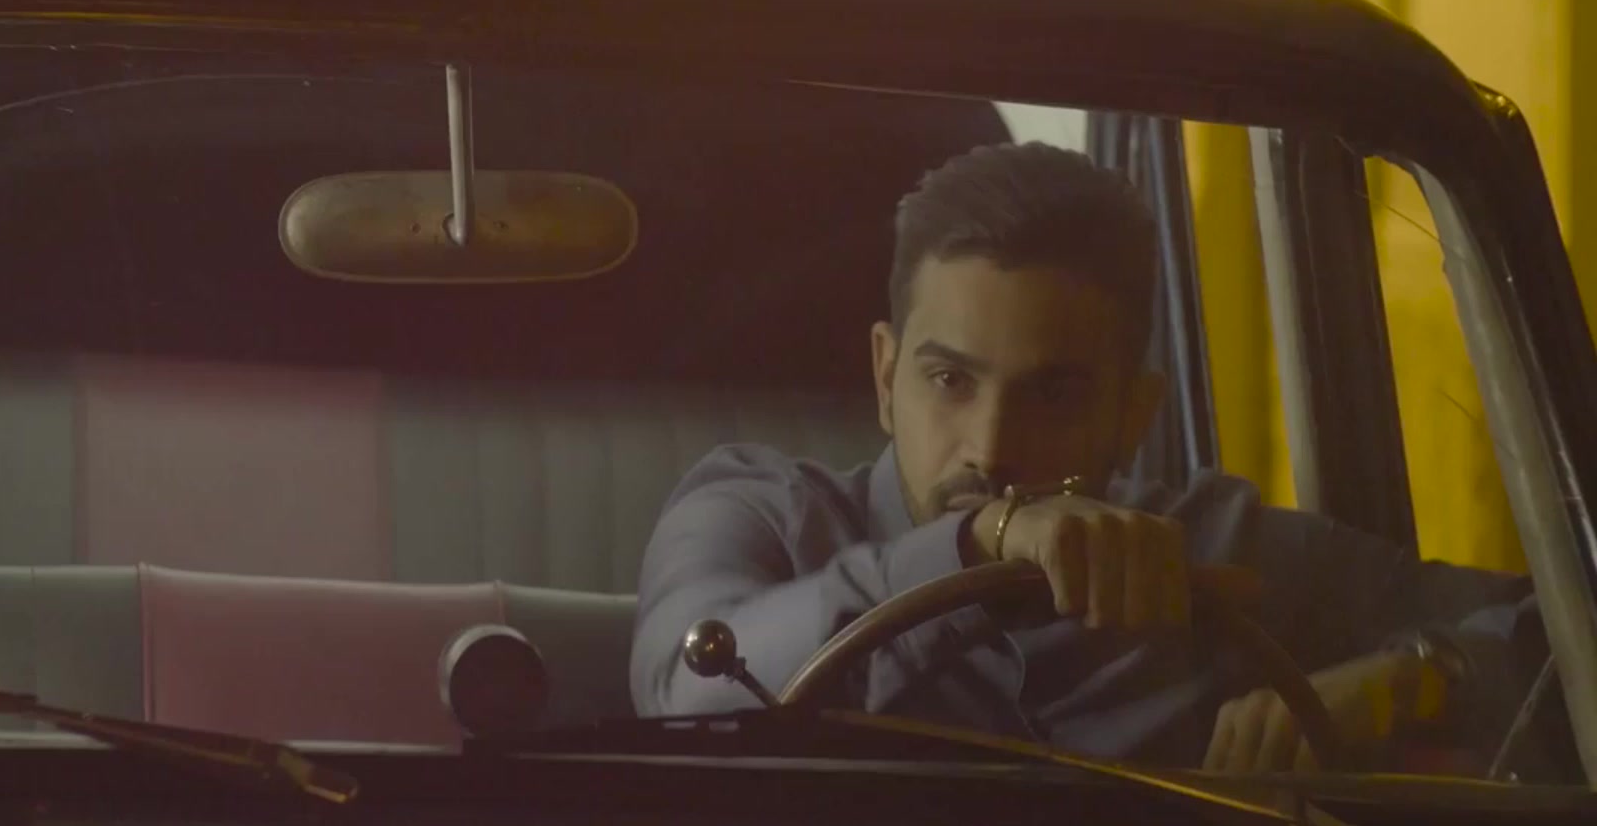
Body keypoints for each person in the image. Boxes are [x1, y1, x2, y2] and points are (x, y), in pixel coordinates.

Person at [629, 142, 1544, 774]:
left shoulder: (1214, 553)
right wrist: (980, 543)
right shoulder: (760, 516)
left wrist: (1413, 677)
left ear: (1133, 415)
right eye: (950, 381)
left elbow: (1559, 648)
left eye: (1054, 395)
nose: (991, 447)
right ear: (884, 376)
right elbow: (680, 699)